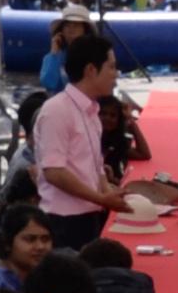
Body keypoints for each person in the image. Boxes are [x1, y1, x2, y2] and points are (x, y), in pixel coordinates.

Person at [35, 33, 123, 251]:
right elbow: (54, 172)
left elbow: (95, 165)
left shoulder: (92, 111)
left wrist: (106, 192)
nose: (116, 75)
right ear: (91, 70)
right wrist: (101, 199)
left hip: (89, 213)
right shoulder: (57, 110)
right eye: (111, 67)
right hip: (63, 219)